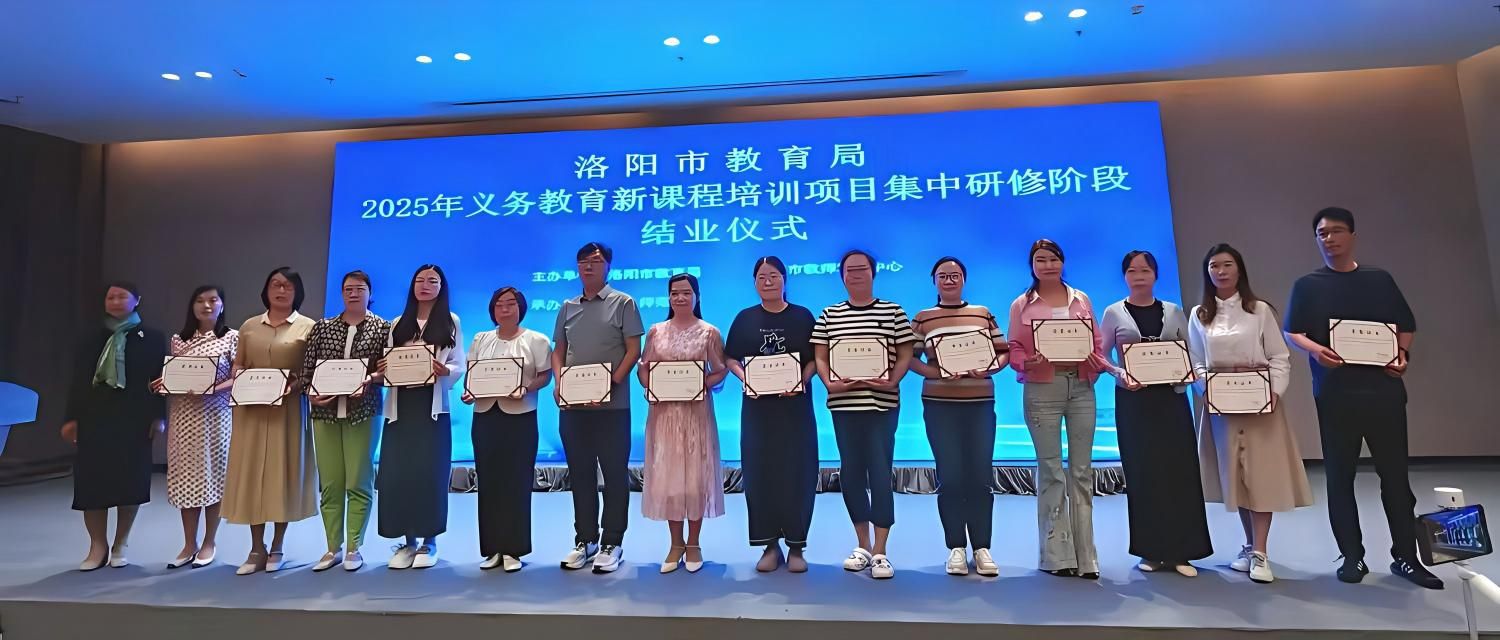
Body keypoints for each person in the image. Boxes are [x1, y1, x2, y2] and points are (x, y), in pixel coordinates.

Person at [1283, 207, 1442, 589]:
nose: (1330, 239)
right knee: (1340, 479)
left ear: (1352, 236)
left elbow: (1406, 325)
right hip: (1335, 395)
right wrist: (1315, 351)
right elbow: (1292, 331)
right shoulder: (1307, 285)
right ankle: (1352, 556)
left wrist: (1401, 355)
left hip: (1384, 393)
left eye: (1337, 231)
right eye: (1322, 233)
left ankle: (1406, 557)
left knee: (1396, 479)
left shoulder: (1379, 280)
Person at [1187, 243, 1313, 585]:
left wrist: (1273, 393)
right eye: (1214, 266)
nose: (1221, 271)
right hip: (1222, 408)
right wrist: (1206, 389)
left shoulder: (1259, 310)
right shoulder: (1200, 314)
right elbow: (1196, 361)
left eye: (1227, 264)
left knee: (1261, 477)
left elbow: (1279, 357)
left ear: (1239, 269)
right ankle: (1248, 545)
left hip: (1261, 406)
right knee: (1237, 478)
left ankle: (1261, 551)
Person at [1099, 251, 1212, 577]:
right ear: (1125, 276)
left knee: (1179, 473)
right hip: (1133, 402)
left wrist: (1188, 377)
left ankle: (1183, 553)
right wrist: (1120, 373)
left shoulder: (1174, 311)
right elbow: (1101, 355)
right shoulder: (1113, 312)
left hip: (1171, 401)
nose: (1139, 276)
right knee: (1143, 474)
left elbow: (1190, 354)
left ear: (1156, 275)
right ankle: (1150, 550)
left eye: (1145, 270)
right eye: (1132, 271)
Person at [1006, 239, 1110, 580]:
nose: (1048, 265)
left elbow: (1096, 343)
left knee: (1081, 471)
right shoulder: (1022, 304)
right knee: (1051, 470)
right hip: (1042, 389)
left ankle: (1086, 555)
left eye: (1053, 259)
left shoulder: (1082, 299)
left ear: (1062, 262)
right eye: (1040, 260)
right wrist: (1028, 361)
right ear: (1032, 266)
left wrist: (1095, 364)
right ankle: (1056, 556)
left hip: (1081, 387)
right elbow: (1014, 348)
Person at [812, 249, 916, 580]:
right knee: (852, 473)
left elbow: (905, 353)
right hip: (844, 406)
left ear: (873, 272)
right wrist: (829, 382)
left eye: (862, 268)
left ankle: (882, 551)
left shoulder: (893, 312)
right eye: (849, 269)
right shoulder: (829, 314)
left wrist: (892, 379)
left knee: (880, 472)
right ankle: (863, 545)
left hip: (881, 404)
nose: (856, 274)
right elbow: (821, 356)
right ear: (842, 276)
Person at [908, 256, 1009, 577]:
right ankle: (955, 547)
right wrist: (935, 372)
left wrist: (988, 368)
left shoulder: (982, 313)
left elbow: (1003, 352)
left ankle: (982, 547)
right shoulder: (923, 318)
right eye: (942, 275)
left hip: (979, 404)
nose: (949, 280)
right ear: (934, 281)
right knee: (950, 477)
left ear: (964, 279)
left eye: (955, 275)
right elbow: (908, 358)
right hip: (940, 405)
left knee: (980, 476)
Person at [553, 242, 645, 574]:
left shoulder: (623, 302)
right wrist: (559, 383)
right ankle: (585, 539)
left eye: (595, 261)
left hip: (612, 407)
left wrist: (612, 382)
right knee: (579, 475)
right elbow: (558, 350)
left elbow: (633, 350)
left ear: (608, 266)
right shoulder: (568, 306)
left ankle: (612, 541)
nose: (588, 266)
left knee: (614, 474)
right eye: (583, 261)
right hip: (574, 406)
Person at [63, 282, 167, 571]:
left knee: (129, 483)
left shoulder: (152, 338)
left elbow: (161, 382)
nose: (116, 301)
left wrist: (159, 417)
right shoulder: (90, 336)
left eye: (122, 296)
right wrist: (70, 418)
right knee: (92, 485)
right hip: (94, 419)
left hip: (134, 420)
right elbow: (76, 381)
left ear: (137, 300)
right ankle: (97, 545)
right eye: (111, 296)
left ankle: (121, 543)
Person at [724, 256, 818, 573]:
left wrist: (800, 380)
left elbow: (816, 358)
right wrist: (745, 378)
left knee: (797, 473)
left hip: (795, 410)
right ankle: (769, 545)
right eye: (762, 277)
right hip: (757, 412)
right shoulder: (744, 318)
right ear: (754, 283)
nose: (768, 281)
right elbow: (731, 358)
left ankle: (796, 546)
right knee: (760, 474)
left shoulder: (802, 316)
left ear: (785, 279)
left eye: (774, 275)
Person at [222, 267, 318, 575]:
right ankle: (255, 548)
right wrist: (238, 374)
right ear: (266, 290)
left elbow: (311, 371)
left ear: (297, 292)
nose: (281, 290)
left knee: (281, 474)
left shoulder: (308, 327)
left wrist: (295, 385)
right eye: (275, 284)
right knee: (252, 475)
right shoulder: (250, 326)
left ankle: (277, 545)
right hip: (250, 410)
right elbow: (239, 364)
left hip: (287, 411)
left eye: (288, 286)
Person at [638, 274, 730, 574]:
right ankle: (675, 544)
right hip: (664, 416)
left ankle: (693, 543)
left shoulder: (709, 332)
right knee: (670, 480)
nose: (680, 297)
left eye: (686, 292)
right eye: (674, 293)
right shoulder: (656, 331)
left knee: (694, 480)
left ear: (697, 296)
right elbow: (644, 369)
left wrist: (701, 383)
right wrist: (651, 386)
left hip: (696, 415)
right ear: (668, 297)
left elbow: (720, 370)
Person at [378, 264, 465, 570]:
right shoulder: (397, 323)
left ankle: (430, 541)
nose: (425, 285)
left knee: (430, 474)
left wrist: (445, 370)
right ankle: (408, 541)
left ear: (442, 287)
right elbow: (388, 363)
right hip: (401, 408)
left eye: (432, 281)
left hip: (432, 408)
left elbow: (458, 364)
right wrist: (383, 369)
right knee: (399, 474)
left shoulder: (451, 321)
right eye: (419, 280)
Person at [302, 271, 390, 572]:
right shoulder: (322, 327)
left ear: (370, 293)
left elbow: (387, 372)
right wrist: (311, 393)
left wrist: (372, 378)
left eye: (360, 288)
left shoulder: (383, 328)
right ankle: (332, 548)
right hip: (324, 414)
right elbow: (307, 371)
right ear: (341, 294)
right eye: (348, 289)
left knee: (358, 481)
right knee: (330, 483)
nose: (353, 293)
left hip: (364, 411)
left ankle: (354, 547)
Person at [462, 286, 552, 572]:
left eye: (510, 304)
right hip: (485, 416)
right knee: (488, 481)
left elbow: (545, 375)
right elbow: (472, 374)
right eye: (499, 304)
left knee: (516, 481)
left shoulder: (536, 340)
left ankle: (513, 549)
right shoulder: (481, 339)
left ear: (520, 308)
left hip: (520, 416)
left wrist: (527, 387)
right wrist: (469, 392)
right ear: (492, 310)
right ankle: (492, 548)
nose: (505, 309)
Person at [153, 285, 237, 570]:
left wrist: (212, 388)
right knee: (186, 480)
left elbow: (238, 376)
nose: (206, 305)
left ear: (222, 305)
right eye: (200, 300)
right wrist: (164, 383)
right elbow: (176, 376)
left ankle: (209, 542)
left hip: (216, 418)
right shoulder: (179, 340)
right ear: (192, 306)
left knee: (214, 479)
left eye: (213, 300)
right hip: (184, 419)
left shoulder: (231, 337)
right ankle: (189, 543)